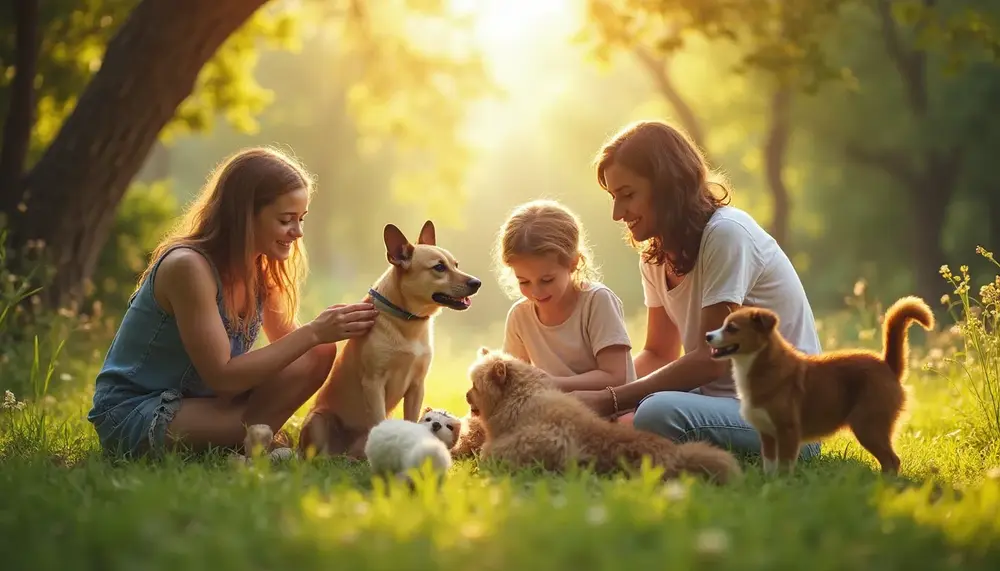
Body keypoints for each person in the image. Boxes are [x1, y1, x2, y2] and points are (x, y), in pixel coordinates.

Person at [86, 147, 379, 459]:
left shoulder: (261, 269)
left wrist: (360, 346)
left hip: (203, 402)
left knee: (318, 354)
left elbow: (298, 355)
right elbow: (223, 378)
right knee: (312, 343)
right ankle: (250, 439)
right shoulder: (188, 267)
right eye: (286, 220)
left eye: (302, 219)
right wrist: (314, 332)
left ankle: (245, 439)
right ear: (244, 215)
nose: (298, 232)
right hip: (137, 411)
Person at [572, 120, 823, 460]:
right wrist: (587, 392)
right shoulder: (655, 255)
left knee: (654, 412)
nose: (618, 214)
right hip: (721, 404)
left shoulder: (726, 234)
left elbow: (711, 360)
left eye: (628, 195)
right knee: (639, 408)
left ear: (667, 186)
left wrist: (612, 399)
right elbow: (659, 353)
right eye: (614, 197)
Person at [495, 199, 637, 393]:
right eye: (524, 282)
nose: (536, 292)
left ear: (573, 263)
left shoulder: (597, 302)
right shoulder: (520, 317)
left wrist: (554, 384)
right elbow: (512, 381)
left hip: (613, 409)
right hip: (557, 415)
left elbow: (615, 376)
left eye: (547, 280)